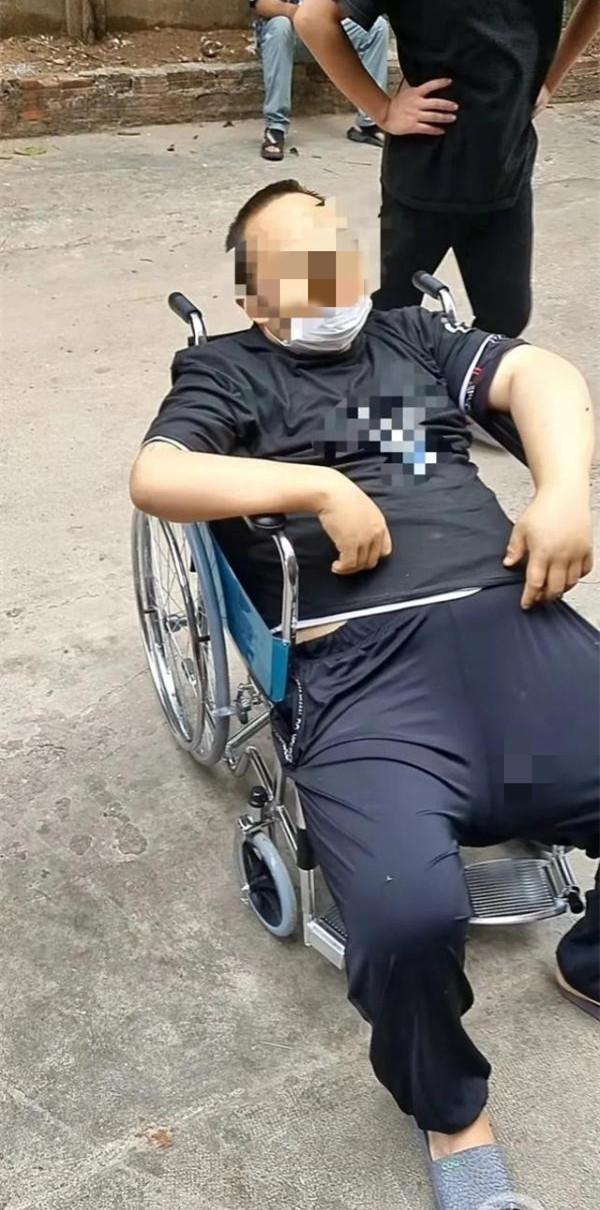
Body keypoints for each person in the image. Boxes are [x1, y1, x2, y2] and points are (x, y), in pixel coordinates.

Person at [130, 181, 599, 1210]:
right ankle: (453, 1115)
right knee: (403, 917)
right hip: (362, 670)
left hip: (512, 616)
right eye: (303, 264)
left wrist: (565, 489)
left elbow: (542, 374)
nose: (335, 273)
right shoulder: (228, 371)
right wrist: (318, 486)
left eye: (340, 248)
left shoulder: (410, 342)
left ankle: (591, 960)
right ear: (254, 299)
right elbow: (158, 475)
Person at [293, 0, 600, 335]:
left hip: (505, 170)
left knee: (507, 319)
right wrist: (381, 110)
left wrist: (551, 79)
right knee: (392, 318)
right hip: (424, 177)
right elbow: (313, 18)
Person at [250, 0, 389, 160]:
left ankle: (368, 124)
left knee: (376, 26)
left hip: (322, 31)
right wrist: (302, 15)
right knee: (280, 25)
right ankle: (275, 128)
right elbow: (261, 5)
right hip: (285, 35)